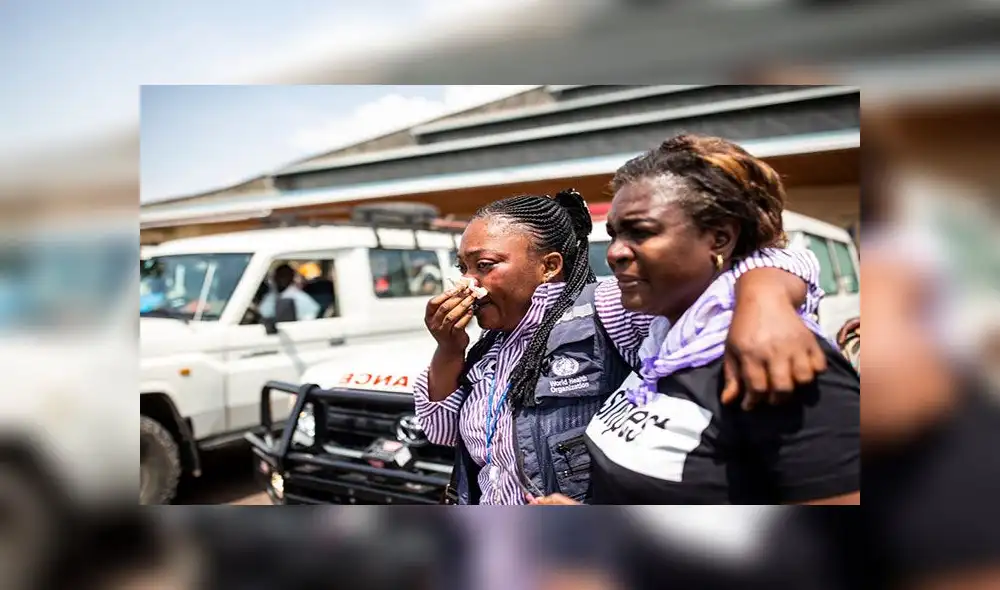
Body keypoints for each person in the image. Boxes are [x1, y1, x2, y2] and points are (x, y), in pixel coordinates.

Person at [415, 184, 827, 505]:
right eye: (463, 267)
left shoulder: (606, 308)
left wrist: (767, 299)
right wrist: (448, 350)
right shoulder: (491, 346)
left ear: (549, 266)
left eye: (484, 266)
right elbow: (442, 432)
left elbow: (771, 261)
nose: (466, 283)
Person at [530, 134, 859, 505]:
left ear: (719, 239)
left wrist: (766, 294)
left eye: (641, 232)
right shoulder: (661, 344)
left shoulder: (776, 360)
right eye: (615, 234)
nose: (616, 253)